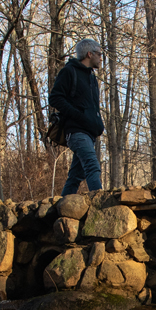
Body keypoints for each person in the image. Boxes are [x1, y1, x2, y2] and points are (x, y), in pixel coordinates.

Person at [49, 39, 105, 196]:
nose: (101, 58)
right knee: (92, 166)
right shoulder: (69, 71)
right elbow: (55, 98)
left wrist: (97, 125)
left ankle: (60, 211)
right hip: (76, 132)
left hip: (89, 133)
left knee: (75, 177)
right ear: (89, 54)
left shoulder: (92, 78)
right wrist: (78, 115)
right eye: (99, 54)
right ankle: (100, 205)